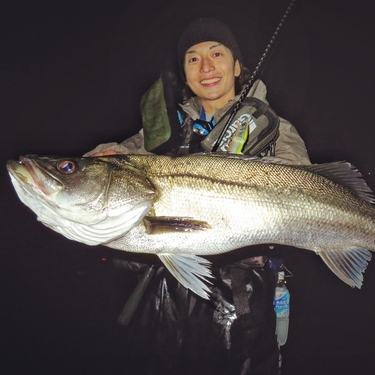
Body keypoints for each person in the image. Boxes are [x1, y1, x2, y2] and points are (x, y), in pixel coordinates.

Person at [86, 17, 310, 374]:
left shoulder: (276, 129)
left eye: (217, 53)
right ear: (185, 74)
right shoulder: (164, 129)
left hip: (241, 301)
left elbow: (301, 188)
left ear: (237, 67)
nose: (206, 67)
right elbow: (122, 157)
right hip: (160, 297)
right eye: (192, 58)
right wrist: (99, 158)